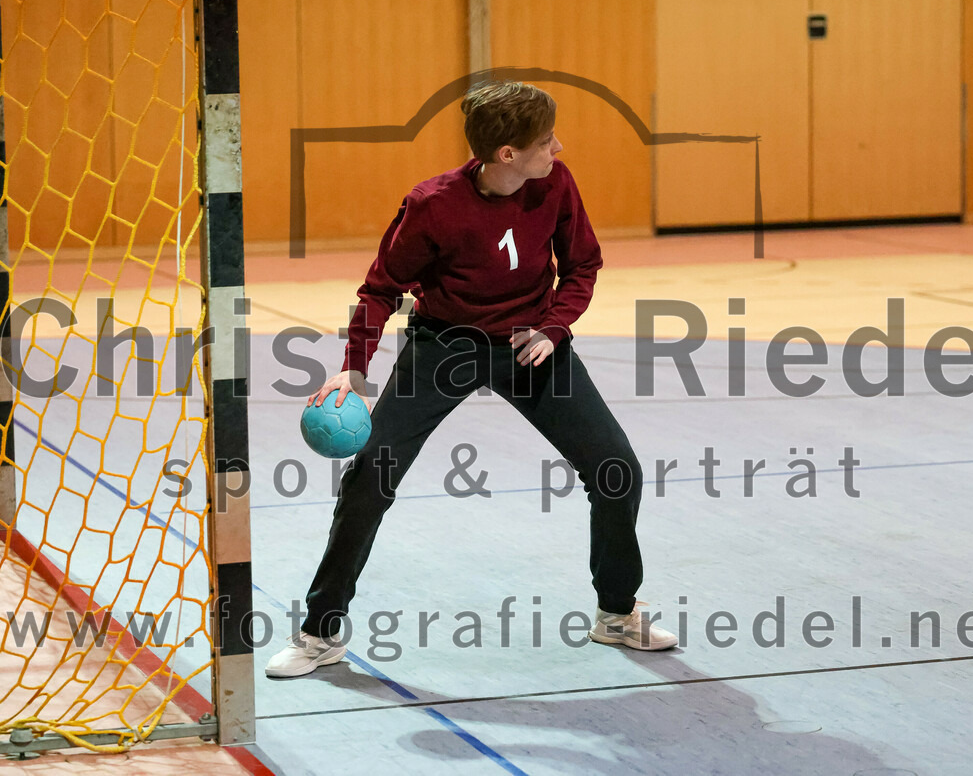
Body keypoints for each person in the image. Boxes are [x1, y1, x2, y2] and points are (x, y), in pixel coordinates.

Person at [266, 80, 677, 678]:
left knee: (616, 469)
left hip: (530, 346)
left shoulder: (556, 184)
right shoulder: (432, 204)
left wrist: (554, 327)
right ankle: (320, 631)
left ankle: (616, 612)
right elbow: (381, 289)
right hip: (444, 347)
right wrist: (354, 368)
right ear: (507, 154)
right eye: (546, 141)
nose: (558, 147)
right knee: (370, 479)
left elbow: (582, 264)